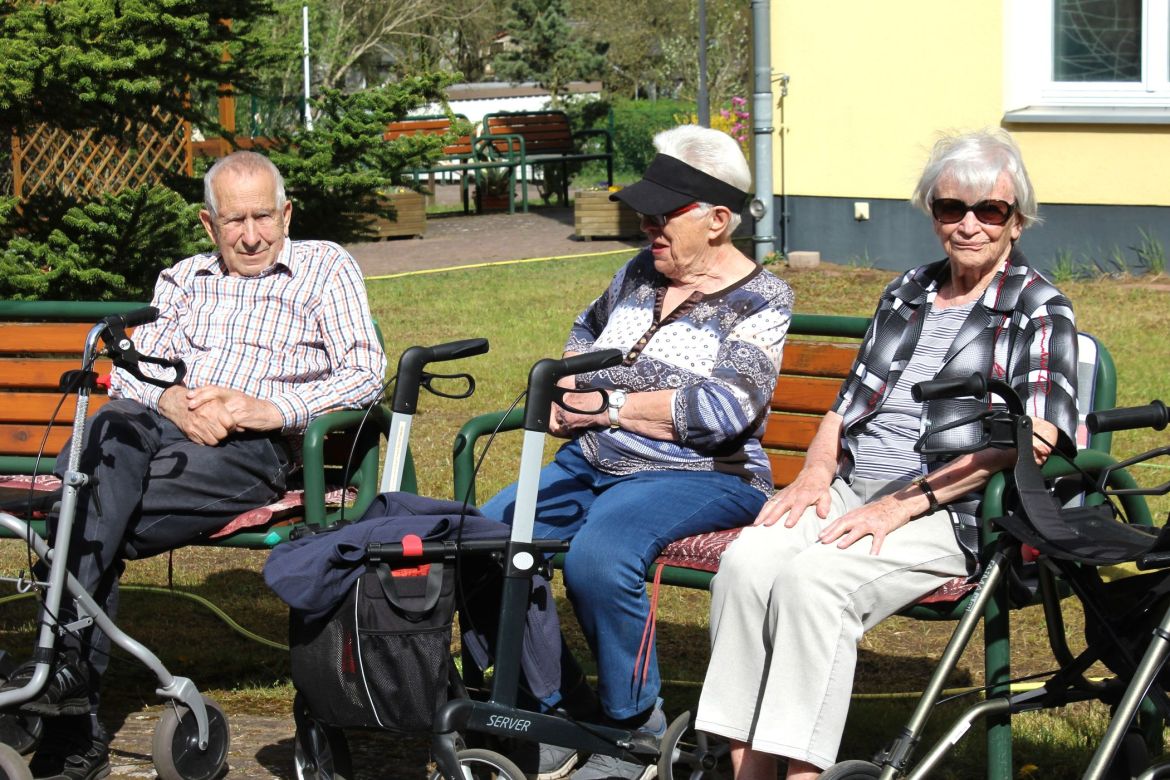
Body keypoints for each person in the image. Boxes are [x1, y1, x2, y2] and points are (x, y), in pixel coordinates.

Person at [694, 128, 1080, 779]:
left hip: (953, 510)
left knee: (814, 583)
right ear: (934, 215)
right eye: (951, 208)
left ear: (1017, 222)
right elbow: (845, 407)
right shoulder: (908, 292)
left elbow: (1037, 438)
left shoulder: (1038, 309)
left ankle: (801, 773)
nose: (969, 225)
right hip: (852, 492)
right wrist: (815, 474)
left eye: (990, 211)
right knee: (747, 563)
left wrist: (904, 505)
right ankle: (748, 771)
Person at [2, 150, 387, 778]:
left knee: (84, 515)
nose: (252, 235)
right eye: (234, 221)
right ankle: (66, 684)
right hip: (165, 428)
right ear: (209, 224)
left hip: (248, 446)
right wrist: (171, 402)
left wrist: (269, 409)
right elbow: (131, 374)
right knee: (108, 429)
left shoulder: (325, 266)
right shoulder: (183, 278)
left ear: (286, 214)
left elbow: (366, 371)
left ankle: (70, 712)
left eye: (263, 216)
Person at [480, 125, 794, 780]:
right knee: (485, 539)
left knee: (600, 556)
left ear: (717, 220)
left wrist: (610, 406)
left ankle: (634, 731)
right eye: (646, 210)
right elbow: (583, 338)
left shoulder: (762, 299)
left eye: (663, 213)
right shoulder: (637, 273)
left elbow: (723, 412)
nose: (647, 224)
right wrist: (568, 390)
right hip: (593, 460)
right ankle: (558, 710)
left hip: (702, 474)